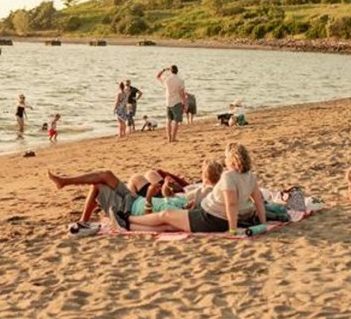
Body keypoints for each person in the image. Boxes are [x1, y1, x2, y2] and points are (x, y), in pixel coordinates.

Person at [121, 142, 266, 234]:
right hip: (215, 218)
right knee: (170, 226)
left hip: (209, 217)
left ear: (233, 159)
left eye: (227, 157)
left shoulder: (229, 176)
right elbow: (258, 201)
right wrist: (263, 224)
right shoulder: (251, 176)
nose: (225, 160)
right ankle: (130, 226)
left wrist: (233, 229)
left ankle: (129, 219)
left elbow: (231, 204)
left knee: (166, 215)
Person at [47, 169, 189, 224]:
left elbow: (149, 217)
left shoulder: (176, 212)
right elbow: (167, 196)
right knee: (106, 174)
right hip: (133, 198)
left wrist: (149, 196)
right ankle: (64, 181)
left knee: (98, 186)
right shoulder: (182, 201)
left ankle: (83, 221)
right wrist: (166, 187)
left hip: (128, 209)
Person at [156, 65, 187, 143]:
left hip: (168, 101)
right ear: (177, 71)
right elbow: (182, 93)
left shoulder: (167, 79)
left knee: (169, 120)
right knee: (176, 121)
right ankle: (173, 137)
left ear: (171, 71)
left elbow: (157, 76)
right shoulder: (180, 80)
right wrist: (184, 103)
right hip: (177, 101)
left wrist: (164, 70)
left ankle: (169, 138)